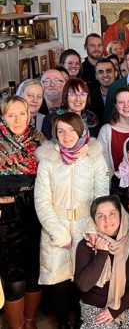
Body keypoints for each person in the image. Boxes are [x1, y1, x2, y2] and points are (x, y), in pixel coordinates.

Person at [34, 112, 109, 329]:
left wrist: (93, 229)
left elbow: (100, 197)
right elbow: (42, 200)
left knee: (82, 281)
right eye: (60, 131)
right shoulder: (48, 160)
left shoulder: (94, 157)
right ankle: (63, 324)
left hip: (85, 227)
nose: (66, 136)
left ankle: (80, 322)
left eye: (71, 130)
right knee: (59, 284)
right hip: (56, 226)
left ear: (80, 130)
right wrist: (57, 231)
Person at [0, 97, 45, 329]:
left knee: (35, 274)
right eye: (10, 115)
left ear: (29, 115)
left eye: (22, 114)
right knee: (14, 279)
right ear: (2, 116)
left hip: (37, 213)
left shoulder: (39, 141)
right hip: (6, 219)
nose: (17, 120)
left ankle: (30, 322)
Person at [74, 196, 129, 329]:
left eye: (112, 214)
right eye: (101, 216)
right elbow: (83, 285)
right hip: (96, 305)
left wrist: (115, 311)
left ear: (121, 215)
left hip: (128, 302)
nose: (107, 220)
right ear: (94, 220)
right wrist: (102, 253)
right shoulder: (86, 244)